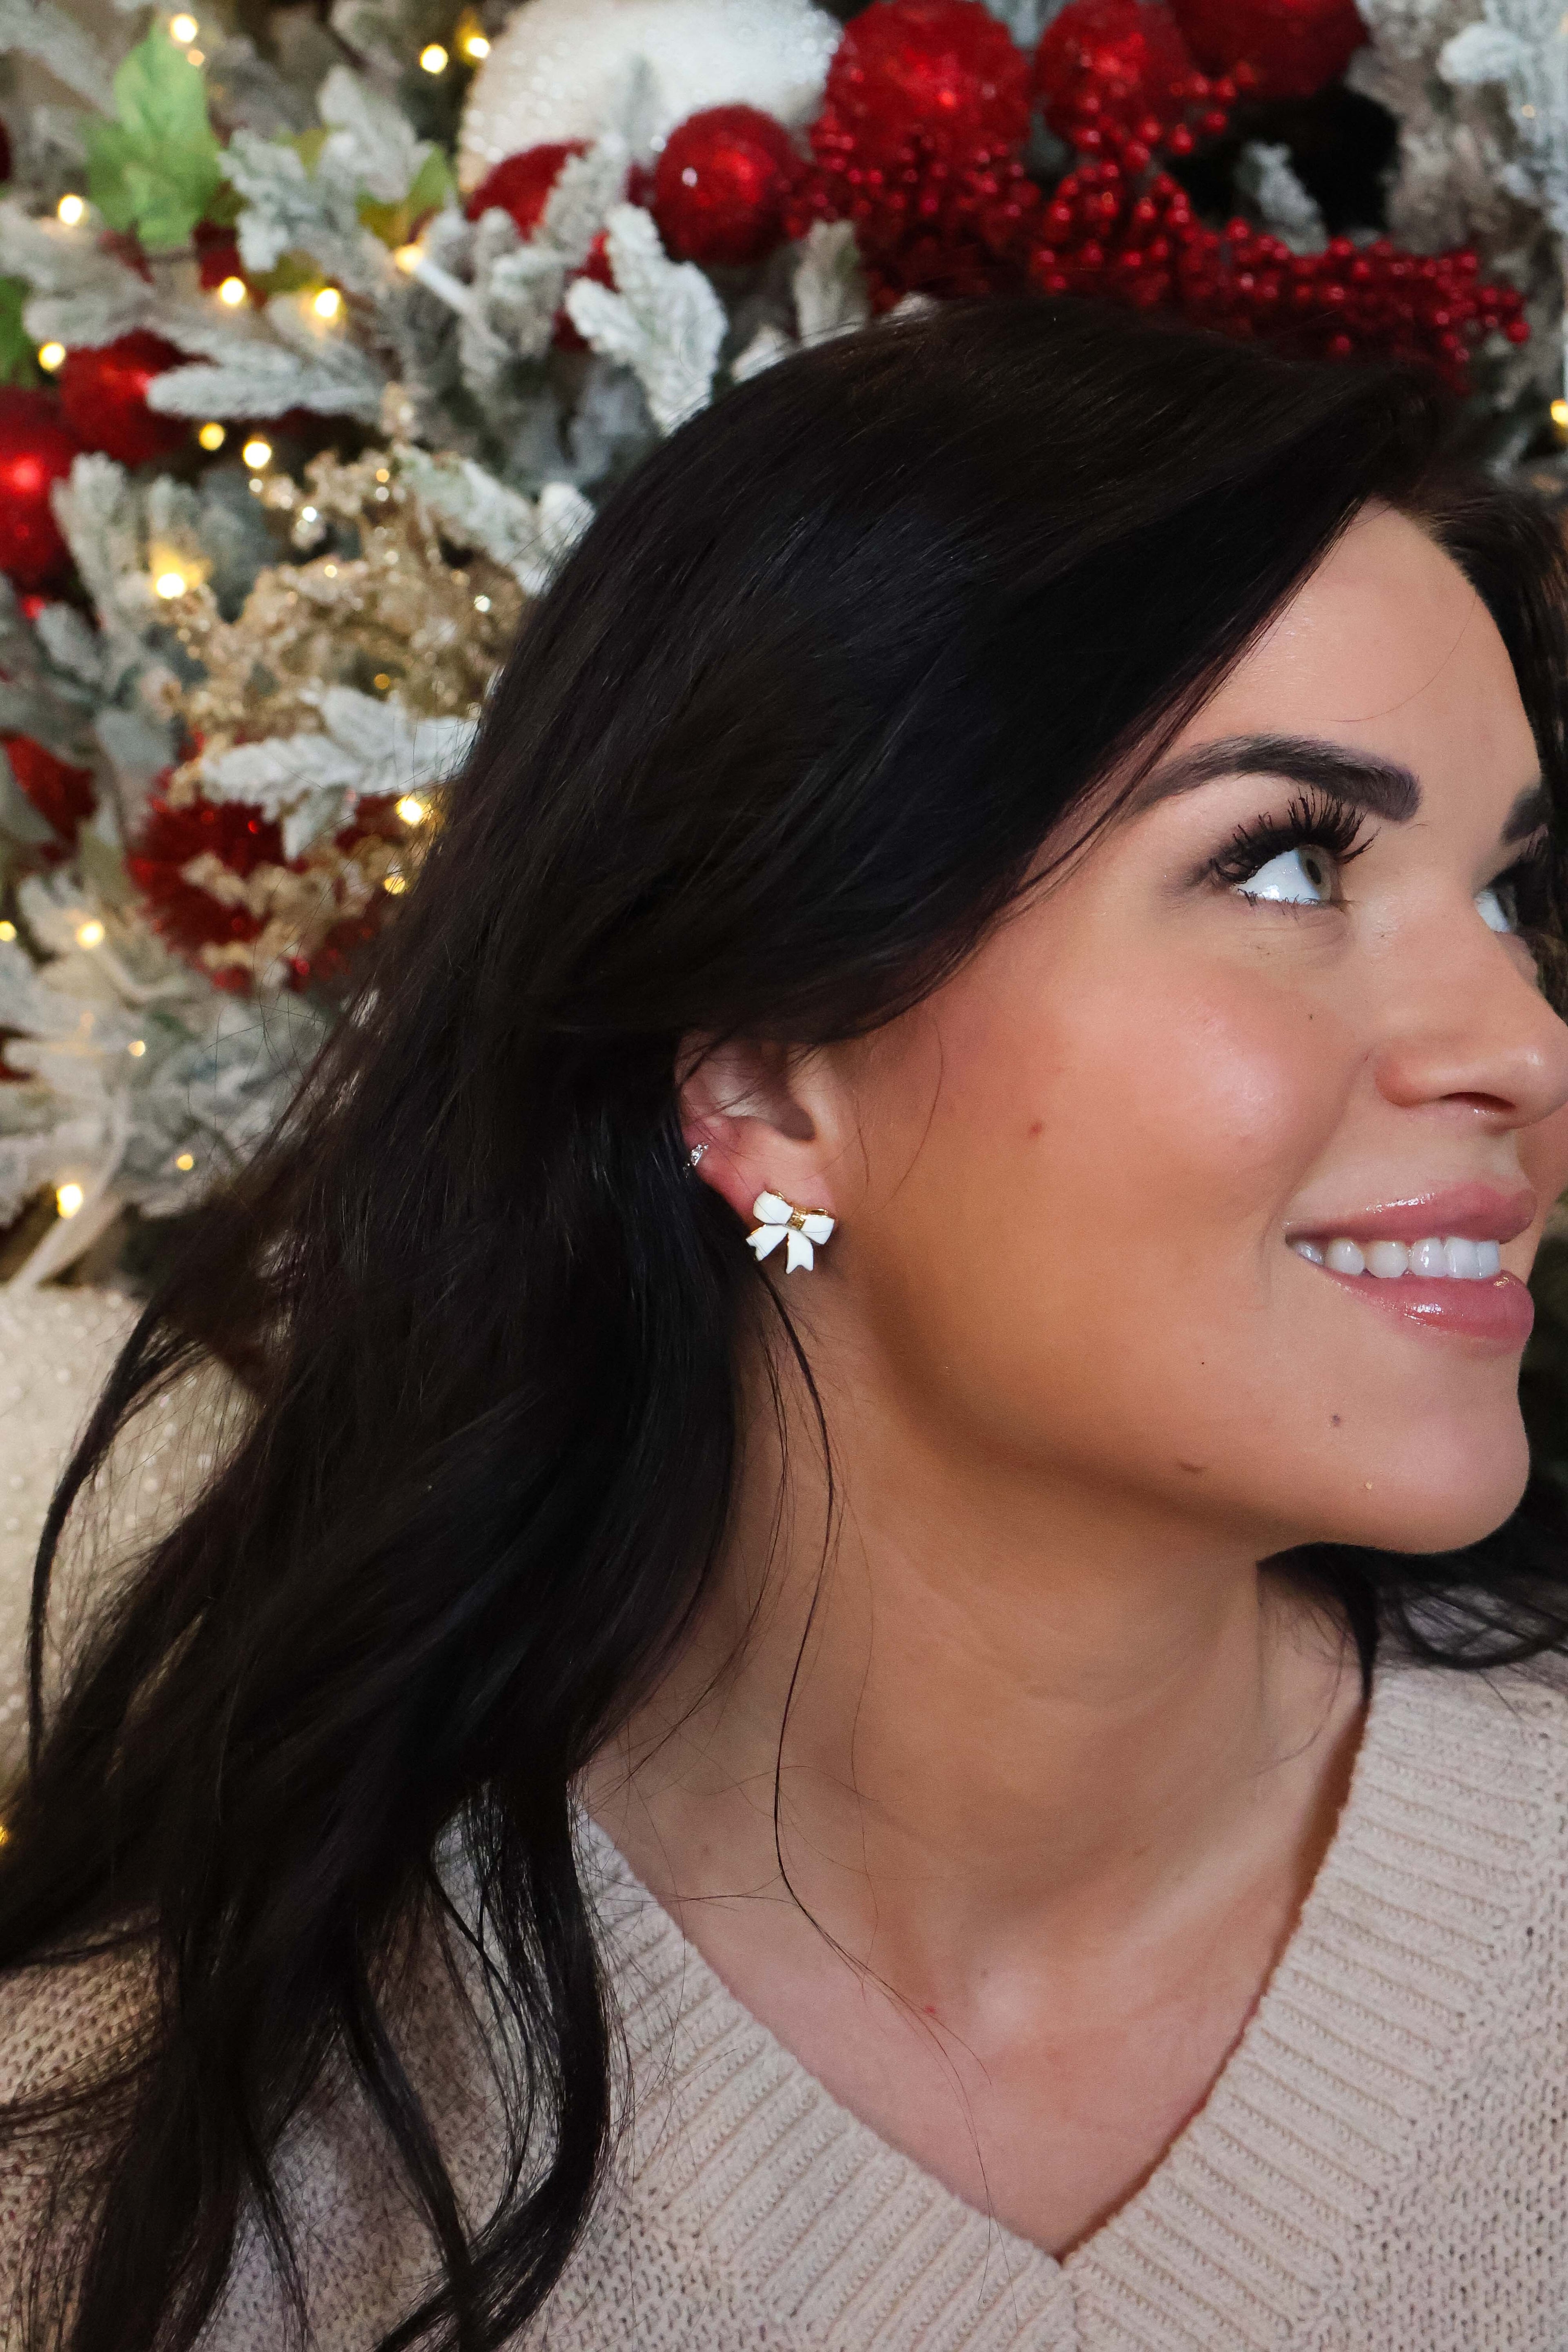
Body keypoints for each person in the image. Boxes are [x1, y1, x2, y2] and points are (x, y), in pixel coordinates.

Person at [3, 297, 1568, 2352]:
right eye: (1284, 868)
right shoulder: (167, 2176)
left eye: (1513, 896)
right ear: (760, 1081)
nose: (1525, 1044)